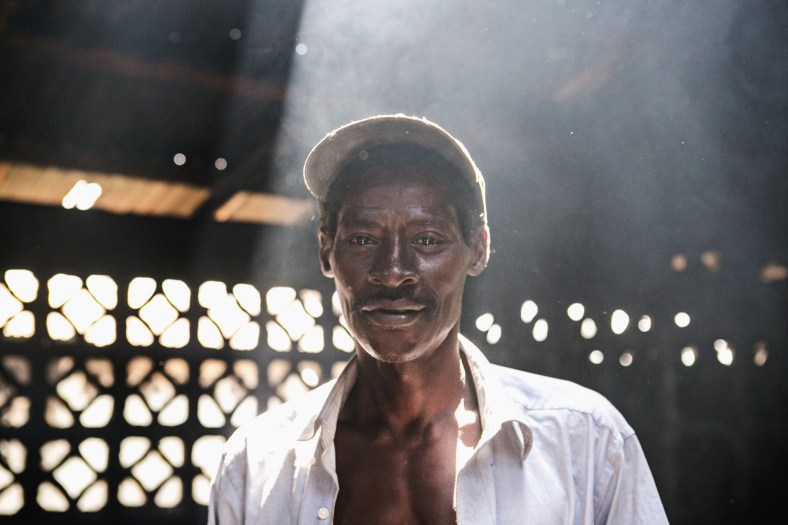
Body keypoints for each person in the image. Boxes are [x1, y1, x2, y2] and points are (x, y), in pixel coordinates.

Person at [208, 114, 669, 524]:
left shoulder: (585, 440)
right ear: (326, 250)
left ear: (479, 248)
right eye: (363, 240)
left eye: (428, 240)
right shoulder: (256, 464)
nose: (393, 272)